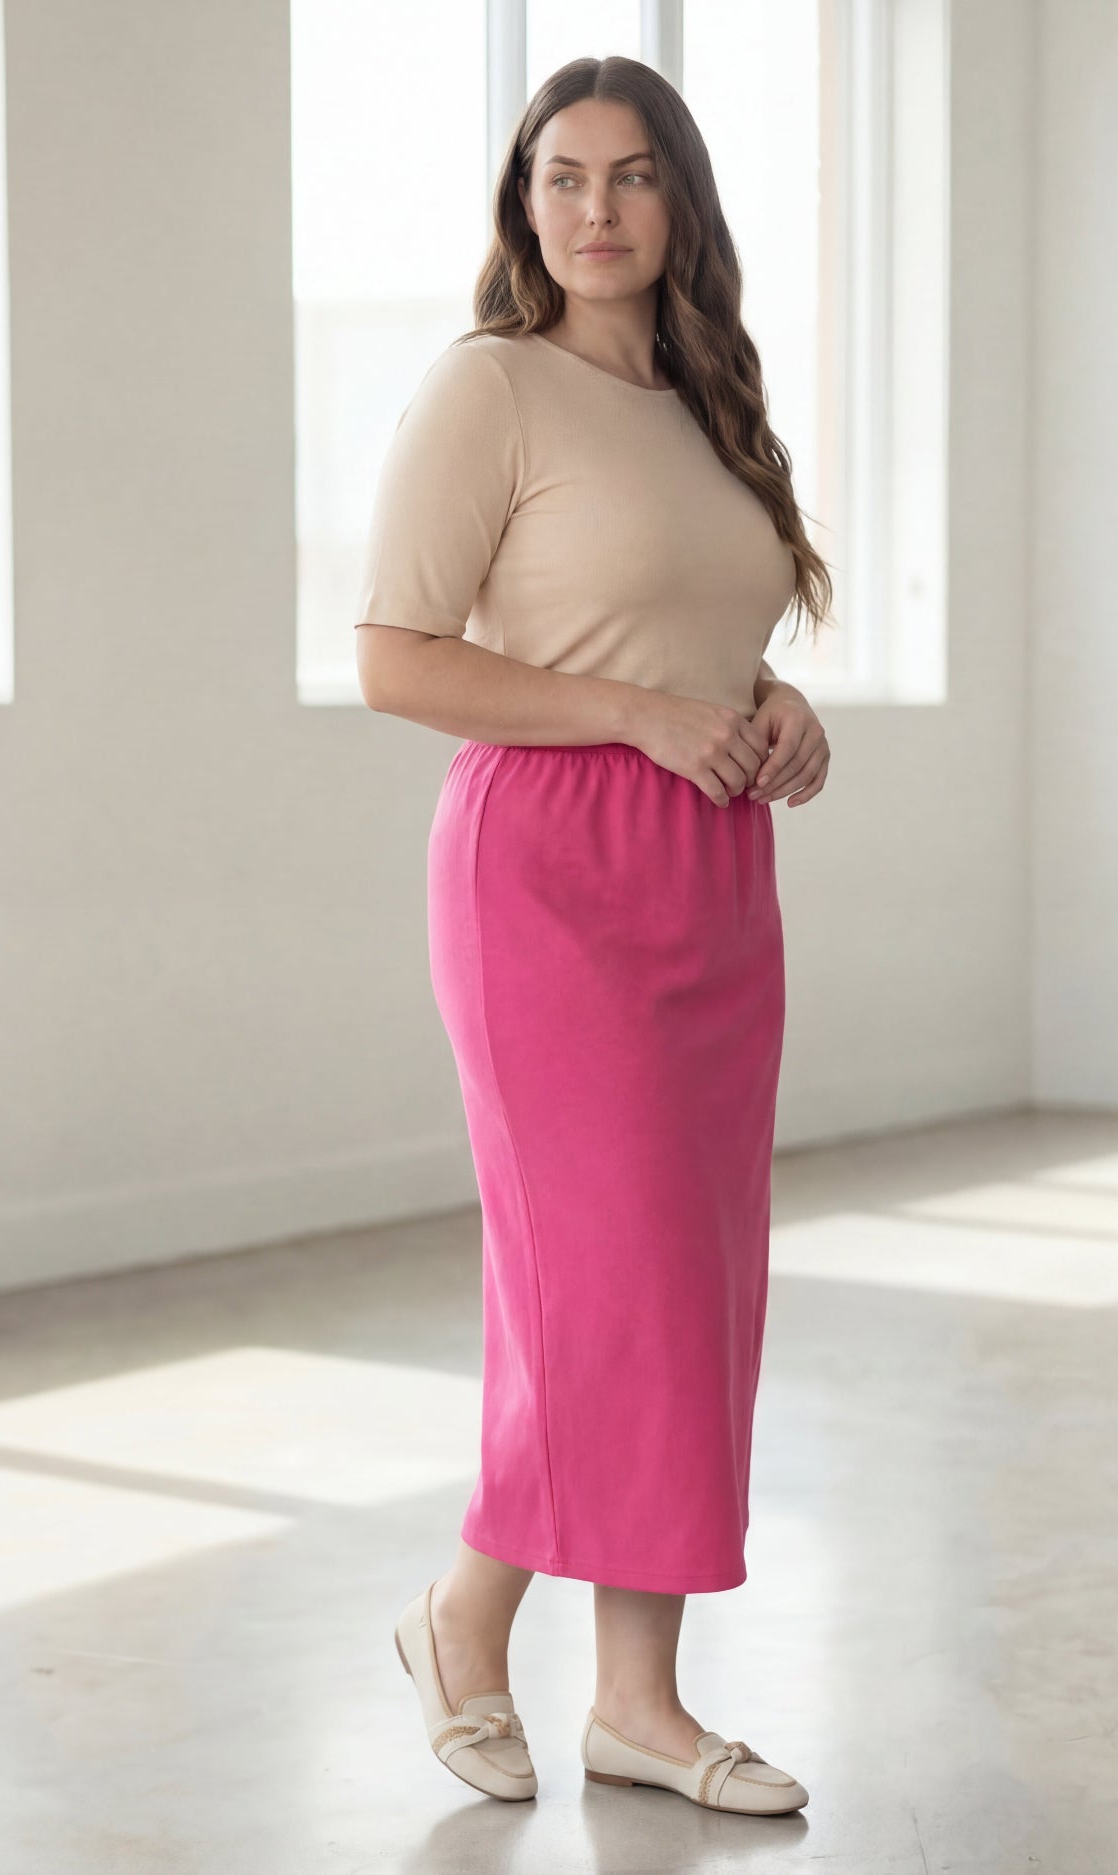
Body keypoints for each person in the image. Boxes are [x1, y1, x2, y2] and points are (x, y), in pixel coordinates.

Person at [355, 54, 832, 1816]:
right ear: (523, 201)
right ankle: (464, 1620)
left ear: (678, 202)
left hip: (712, 871)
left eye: (632, 177)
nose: (596, 209)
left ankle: (639, 1702)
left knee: (690, 1292)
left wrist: (775, 708)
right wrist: (636, 723)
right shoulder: (490, 389)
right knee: (604, 1288)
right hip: (547, 870)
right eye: (562, 176)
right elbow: (398, 658)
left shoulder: (709, 402)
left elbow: (690, 637)